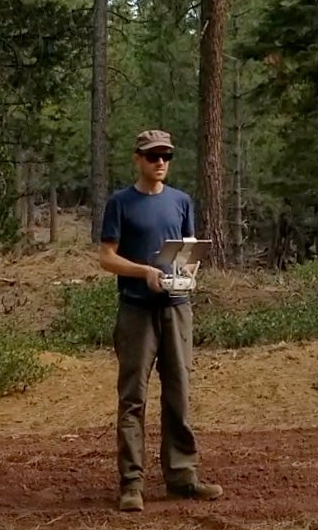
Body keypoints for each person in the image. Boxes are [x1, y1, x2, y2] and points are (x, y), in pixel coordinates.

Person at [98, 129, 223, 512]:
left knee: (179, 395)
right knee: (133, 398)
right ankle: (131, 483)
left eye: (166, 156)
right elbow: (106, 257)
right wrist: (143, 272)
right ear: (137, 158)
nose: (160, 163)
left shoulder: (182, 201)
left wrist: (190, 273)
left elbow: (187, 251)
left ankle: (182, 476)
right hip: (136, 310)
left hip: (176, 308)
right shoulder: (120, 203)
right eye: (153, 156)